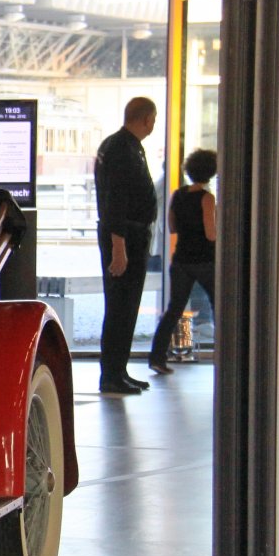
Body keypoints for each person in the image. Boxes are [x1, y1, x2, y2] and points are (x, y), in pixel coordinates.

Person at [95, 95, 161, 395]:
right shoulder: (123, 150)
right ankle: (111, 375)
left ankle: (118, 370)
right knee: (121, 306)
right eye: (153, 119)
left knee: (126, 306)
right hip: (124, 237)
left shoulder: (123, 145)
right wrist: (118, 247)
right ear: (147, 119)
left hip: (129, 234)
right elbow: (116, 201)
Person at [147, 148, 218, 374]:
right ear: (211, 172)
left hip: (181, 260)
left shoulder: (177, 195)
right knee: (219, 306)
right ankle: (226, 355)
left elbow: (172, 227)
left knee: (173, 310)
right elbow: (211, 234)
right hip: (204, 261)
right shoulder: (207, 198)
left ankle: (157, 357)